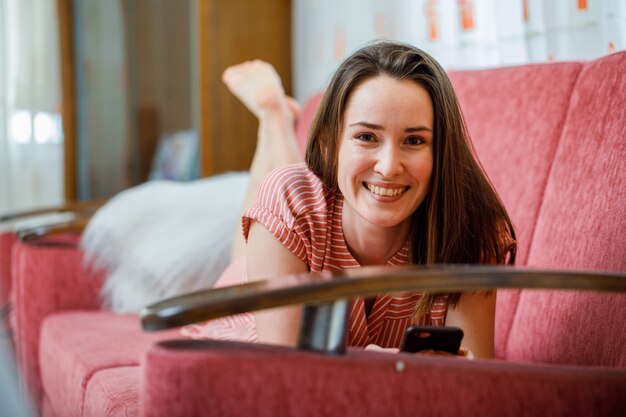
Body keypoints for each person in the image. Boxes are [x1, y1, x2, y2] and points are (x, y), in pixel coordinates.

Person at [186, 41, 516, 359]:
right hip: (254, 319)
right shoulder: (289, 199)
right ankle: (273, 117)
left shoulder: (472, 227)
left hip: (301, 245)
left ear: (440, 151)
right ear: (330, 143)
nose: (388, 167)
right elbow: (283, 374)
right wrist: (382, 371)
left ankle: (275, 118)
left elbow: (475, 375)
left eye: (414, 140)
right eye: (366, 137)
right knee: (273, 205)